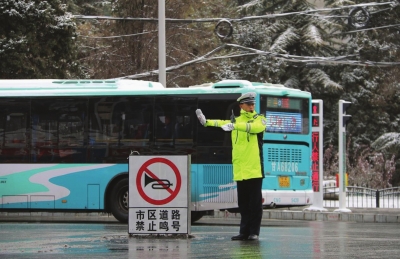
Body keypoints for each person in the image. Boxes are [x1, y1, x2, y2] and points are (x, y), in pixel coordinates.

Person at [196, 92, 267, 241]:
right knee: (243, 204)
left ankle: (254, 232)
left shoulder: (259, 119)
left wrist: (234, 125)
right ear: (241, 105)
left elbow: (253, 128)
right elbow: (222, 123)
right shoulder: (236, 120)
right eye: (248, 104)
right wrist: (206, 122)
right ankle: (244, 232)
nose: (251, 107)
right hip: (240, 170)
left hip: (254, 169)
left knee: (255, 204)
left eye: (253, 104)